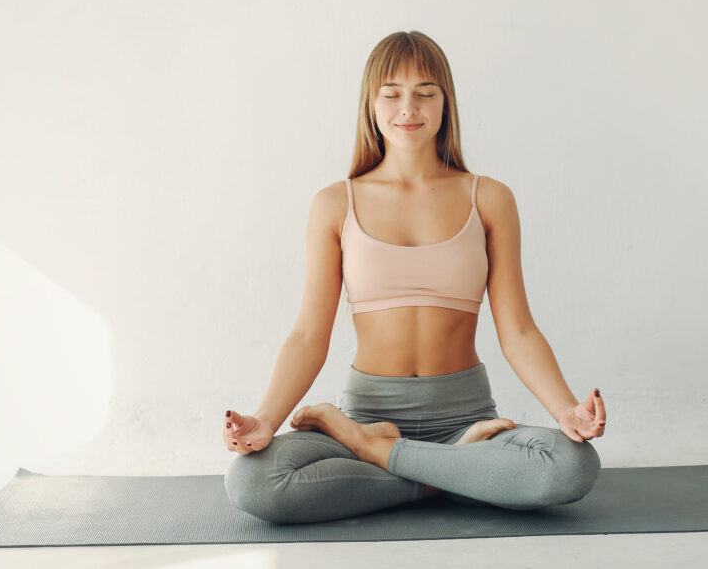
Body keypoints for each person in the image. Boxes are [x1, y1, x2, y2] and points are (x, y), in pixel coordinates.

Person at [223, 30, 605, 524]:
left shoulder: (488, 198)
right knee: (253, 481)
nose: (409, 107)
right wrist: (266, 419)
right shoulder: (335, 204)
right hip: (368, 410)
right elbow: (306, 335)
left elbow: (519, 331)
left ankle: (375, 453)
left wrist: (566, 410)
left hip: (466, 416)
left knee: (571, 466)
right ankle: (451, 473)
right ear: (371, 104)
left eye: (426, 92)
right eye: (392, 93)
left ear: (446, 104)